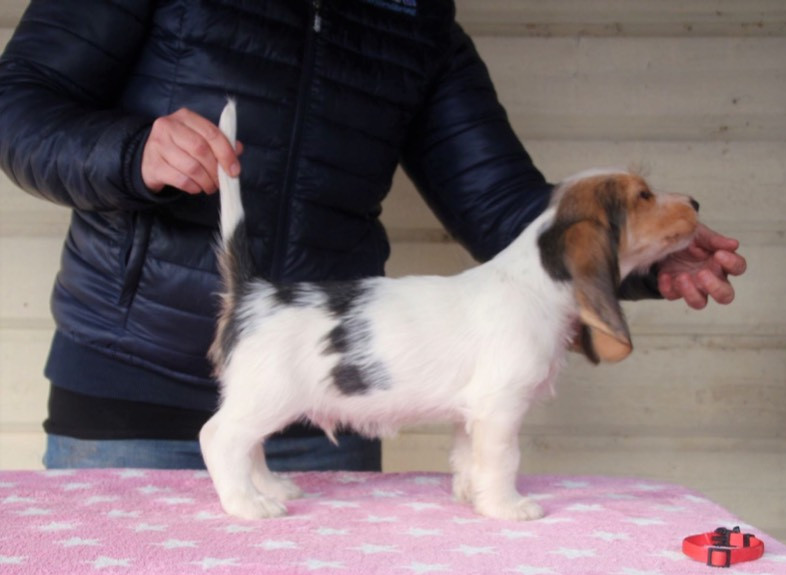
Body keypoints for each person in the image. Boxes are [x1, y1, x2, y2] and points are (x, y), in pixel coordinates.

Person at [0, 1, 745, 471]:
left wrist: (640, 258)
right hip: (126, 397)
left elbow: (503, 207)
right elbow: (18, 107)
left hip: (336, 401)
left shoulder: (417, 17)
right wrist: (133, 151)